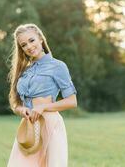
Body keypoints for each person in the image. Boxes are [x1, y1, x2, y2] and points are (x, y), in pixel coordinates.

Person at [7, 23, 78, 167]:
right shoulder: (23, 71)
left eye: (31, 40)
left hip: (50, 124)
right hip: (29, 126)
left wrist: (43, 107)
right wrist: (22, 110)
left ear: (40, 38)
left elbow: (72, 101)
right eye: (23, 45)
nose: (29, 46)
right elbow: (15, 104)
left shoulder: (58, 66)